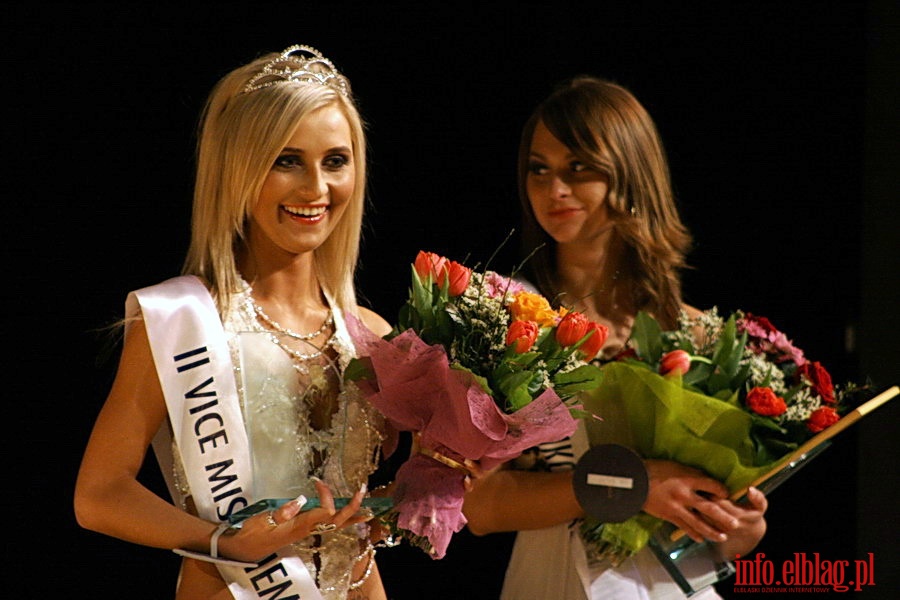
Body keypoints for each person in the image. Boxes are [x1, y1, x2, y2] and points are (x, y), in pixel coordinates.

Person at [74, 45, 392, 600]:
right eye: (286, 160)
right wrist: (223, 542)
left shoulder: (373, 336)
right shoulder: (183, 322)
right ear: (237, 170)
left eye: (335, 160)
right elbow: (99, 494)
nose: (317, 189)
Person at [462, 76, 769, 599]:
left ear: (630, 171)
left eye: (578, 168)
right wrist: (635, 485)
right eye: (539, 169)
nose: (555, 189)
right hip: (553, 582)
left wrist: (741, 528)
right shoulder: (505, 320)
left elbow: (721, 531)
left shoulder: (700, 334)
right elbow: (480, 507)